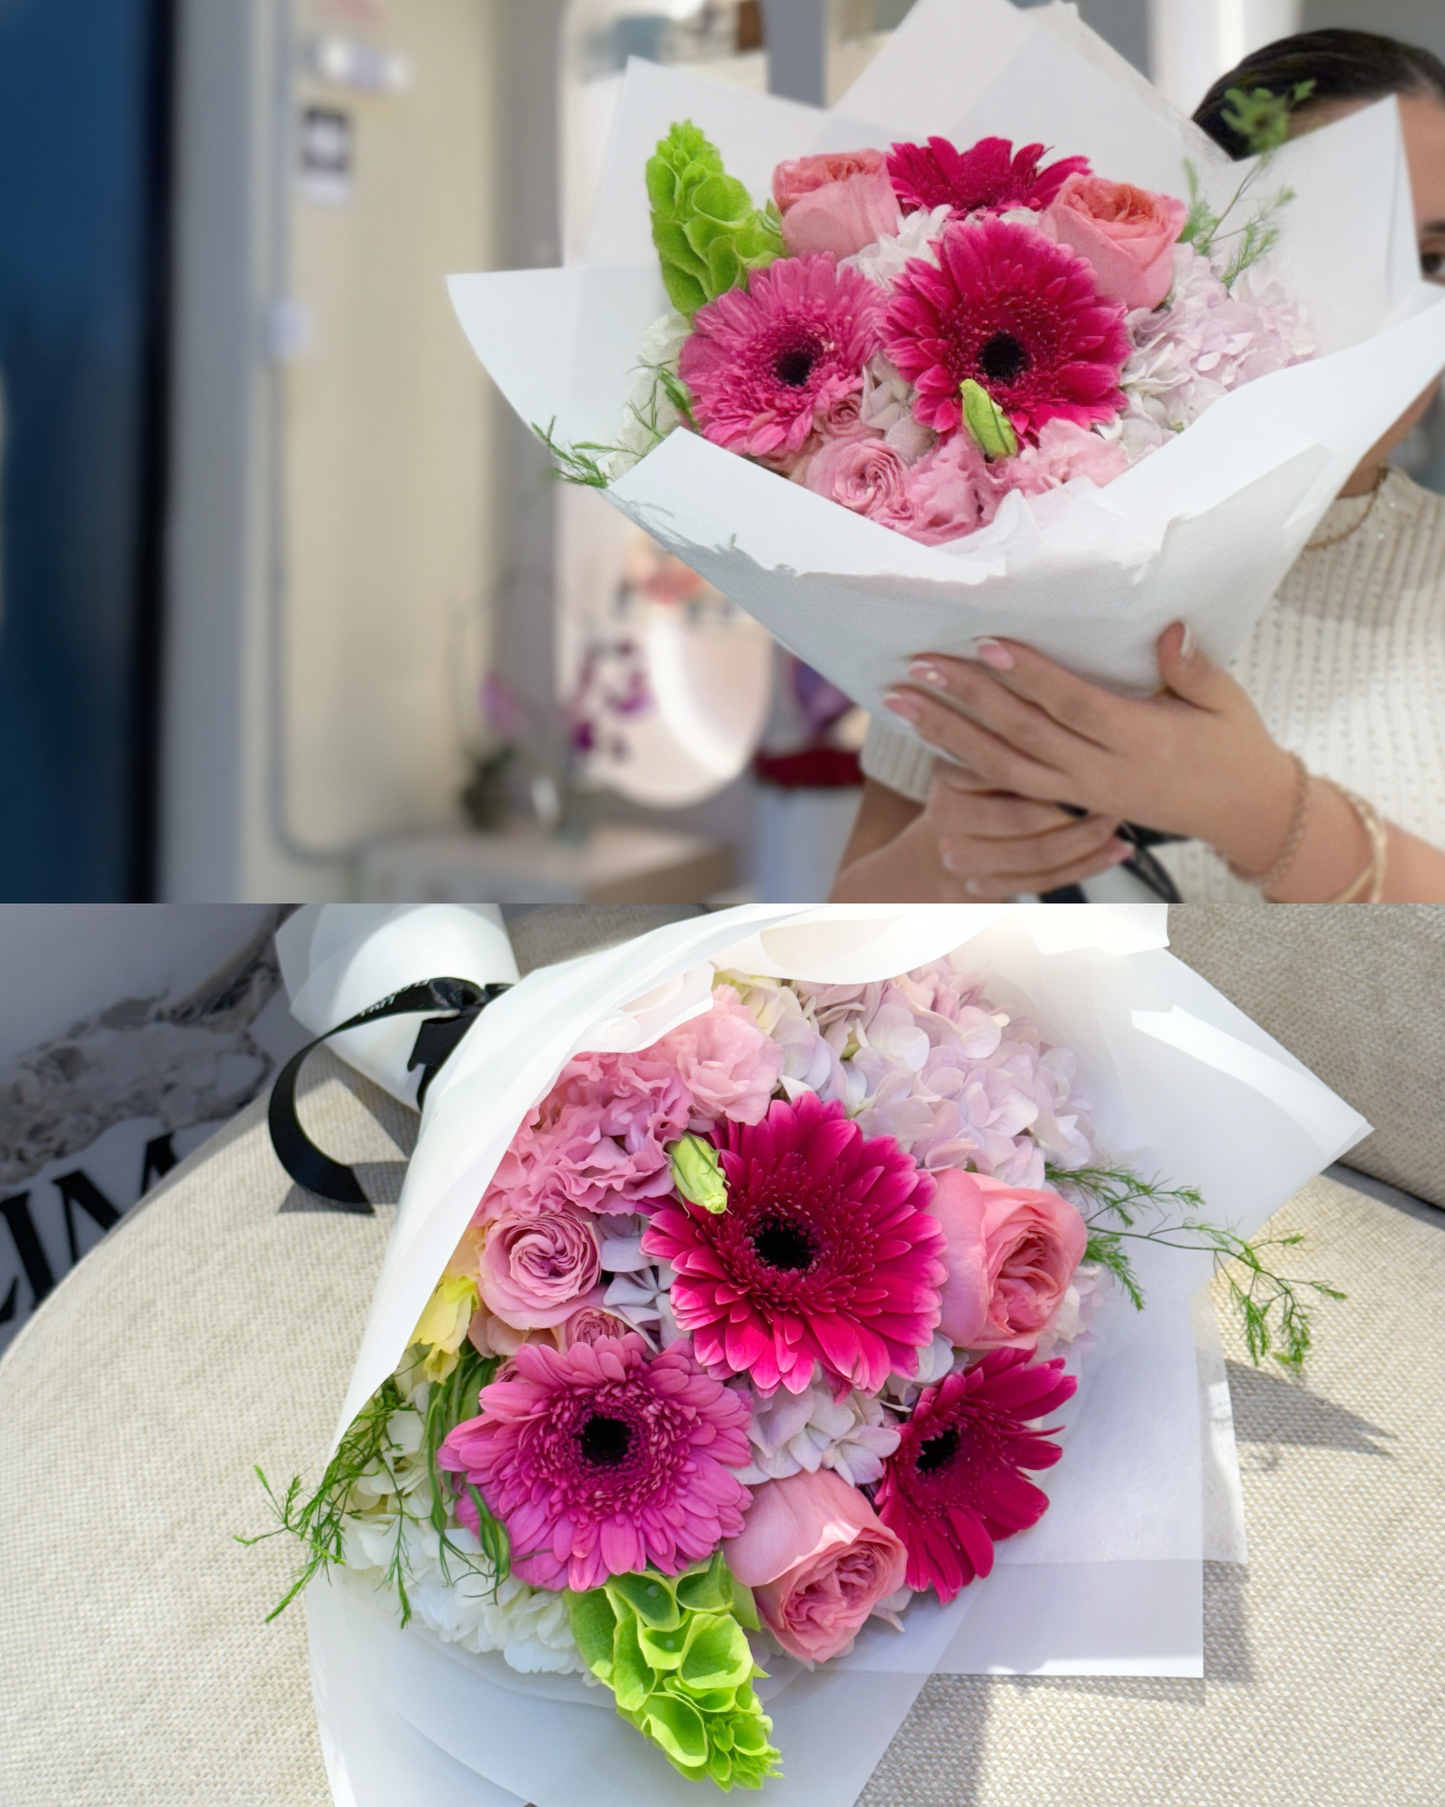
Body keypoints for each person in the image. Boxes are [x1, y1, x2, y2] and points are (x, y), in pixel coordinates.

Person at [831, 29, 1445, 904]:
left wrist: (1265, 814)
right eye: (1350, 244)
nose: (1403, 311)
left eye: (1435, 261)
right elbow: (834, 960)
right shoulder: (1002, 533)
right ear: (1203, 252)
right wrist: (947, 860)